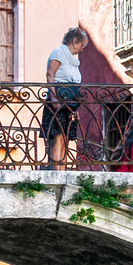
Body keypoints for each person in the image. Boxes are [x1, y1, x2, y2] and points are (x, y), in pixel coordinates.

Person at [43, 27, 87, 168]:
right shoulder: (59, 53)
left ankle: (63, 171)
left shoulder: (73, 61)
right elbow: (50, 75)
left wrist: (75, 107)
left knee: (66, 139)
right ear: (74, 41)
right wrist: (54, 98)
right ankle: (58, 173)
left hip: (70, 104)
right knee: (59, 138)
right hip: (59, 101)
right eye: (81, 45)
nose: (82, 49)